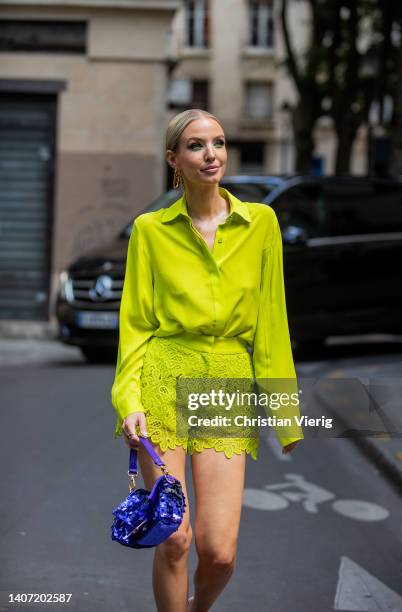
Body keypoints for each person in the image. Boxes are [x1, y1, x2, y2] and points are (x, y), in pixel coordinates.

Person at [111, 108, 304, 612]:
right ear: (174, 159)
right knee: (173, 536)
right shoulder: (150, 231)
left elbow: (272, 322)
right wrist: (128, 401)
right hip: (164, 374)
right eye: (196, 146)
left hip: (225, 382)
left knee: (218, 553)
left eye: (218, 142)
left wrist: (285, 415)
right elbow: (135, 326)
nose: (211, 154)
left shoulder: (259, 223)